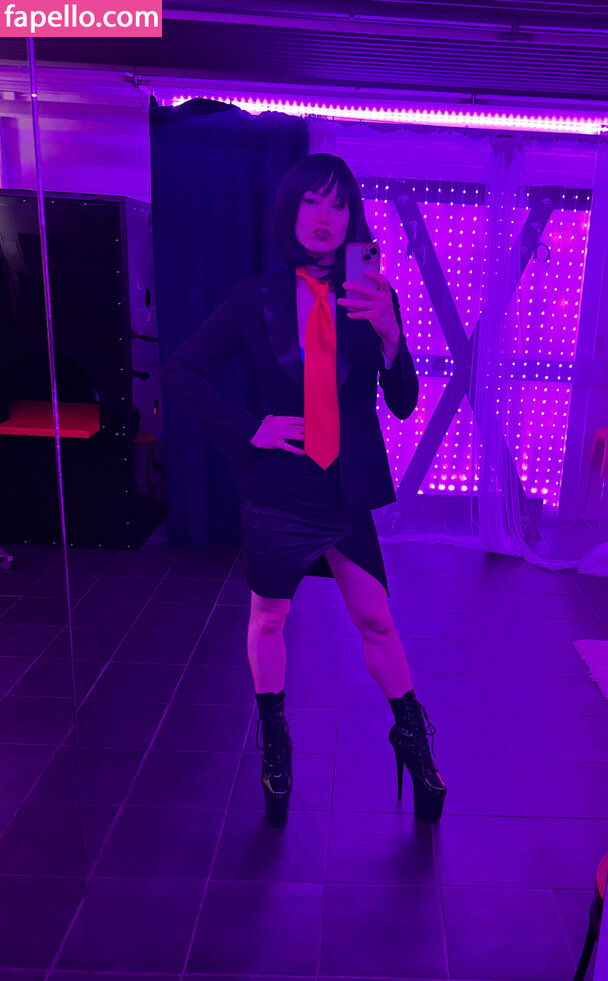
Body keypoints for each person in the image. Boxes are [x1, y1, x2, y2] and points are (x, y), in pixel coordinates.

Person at [160, 153, 447, 827]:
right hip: (279, 489)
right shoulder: (255, 299)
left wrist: (390, 335)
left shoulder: (372, 295)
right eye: (312, 202)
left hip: (343, 489)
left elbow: (403, 403)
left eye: (338, 205)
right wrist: (249, 428)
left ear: (353, 218)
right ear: (290, 211)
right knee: (268, 618)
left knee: (376, 618)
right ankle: (276, 740)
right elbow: (180, 370)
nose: (325, 217)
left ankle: (411, 737)